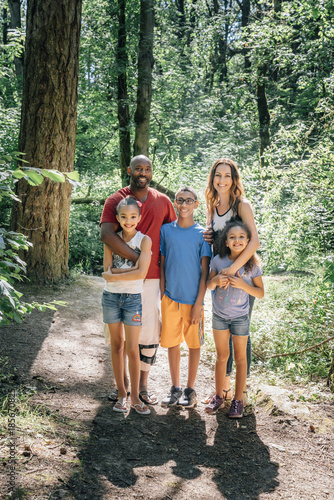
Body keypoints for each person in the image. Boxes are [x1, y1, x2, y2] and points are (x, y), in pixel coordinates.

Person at [100, 155, 177, 405]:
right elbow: (107, 235)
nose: (143, 172)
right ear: (129, 170)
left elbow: (173, 238)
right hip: (120, 283)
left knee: (148, 334)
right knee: (119, 338)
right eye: (138, 168)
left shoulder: (163, 201)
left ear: (152, 172)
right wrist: (138, 259)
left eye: (147, 169)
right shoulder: (116, 199)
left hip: (152, 279)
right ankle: (121, 387)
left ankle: (142, 386)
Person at [204, 158, 260, 403]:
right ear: (212, 178)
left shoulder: (242, 205)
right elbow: (215, 240)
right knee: (222, 338)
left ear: (234, 179)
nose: (222, 180)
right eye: (218, 175)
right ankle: (223, 389)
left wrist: (234, 271)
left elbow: (254, 241)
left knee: (240, 334)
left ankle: (241, 393)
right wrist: (207, 234)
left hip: (240, 276)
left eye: (227, 175)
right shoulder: (212, 205)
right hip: (220, 277)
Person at [205, 220, 264, 417]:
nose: (237, 240)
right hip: (219, 316)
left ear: (248, 241)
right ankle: (219, 395)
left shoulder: (252, 265)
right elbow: (209, 285)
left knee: (240, 359)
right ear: (226, 242)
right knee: (222, 356)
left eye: (241, 237)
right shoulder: (218, 261)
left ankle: (238, 400)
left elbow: (260, 293)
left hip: (240, 317)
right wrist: (214, 280)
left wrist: (242, 285)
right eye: (233, 237)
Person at [160, 187, 212, 408]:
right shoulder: (165, 231)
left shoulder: (202, 235)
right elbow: (162, 264)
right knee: (172, 343)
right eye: (180, 200)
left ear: (196, 204)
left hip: (193, 301)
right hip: (170, 298)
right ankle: (175, 387)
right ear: (174, 202)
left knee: (193, 345)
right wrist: (162, 295)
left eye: (189, 200)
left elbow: (205, 272)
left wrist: (198, 303)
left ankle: (190, 390)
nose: (184, 204)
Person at [102, 196, 152, 414]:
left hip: (133, 299)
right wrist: (130, 272)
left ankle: (134, 399)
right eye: (124, 217)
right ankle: (122, 394)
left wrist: (117, 274)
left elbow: (142, 274)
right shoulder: (111, 240)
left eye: (133, 217)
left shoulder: (144, 241)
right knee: (117, 345)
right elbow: (106, 273)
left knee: (133, 349)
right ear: (118, 218)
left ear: (139, 218)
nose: (128, 220)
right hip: (111, 297)